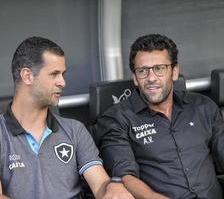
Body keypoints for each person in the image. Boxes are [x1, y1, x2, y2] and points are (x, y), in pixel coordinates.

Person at [95, 34, 224, 199]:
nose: (151, 78)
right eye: (142, 71)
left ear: (174, 71)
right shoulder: (117, 118)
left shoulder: (202, 106)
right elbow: (125, 176)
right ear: (135, 78)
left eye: (159, 68)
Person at [0, 37, 134, 199]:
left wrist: (112, 188)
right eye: (54, 74)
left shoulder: (74, 130)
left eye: (63, 74)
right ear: (27, 76)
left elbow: (99, 184)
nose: (62, 82)